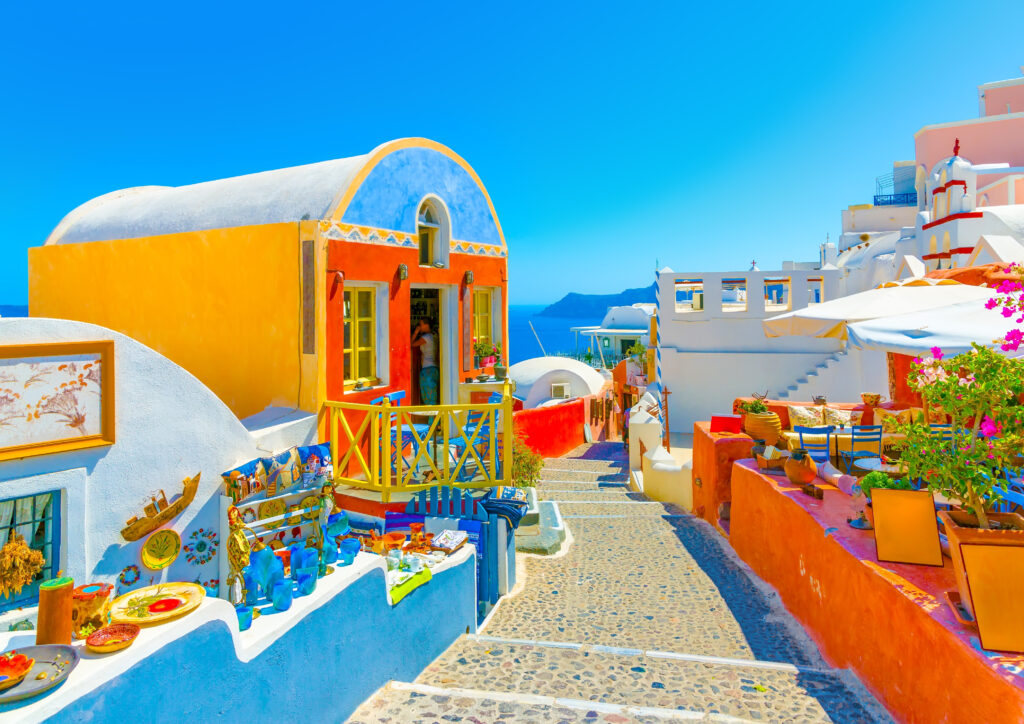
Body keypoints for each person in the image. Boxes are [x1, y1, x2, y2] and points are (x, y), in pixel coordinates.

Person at [412, 318, 439, 405]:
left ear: (426, 325)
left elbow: (411, 344)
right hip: (435, 368)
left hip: (427, 368)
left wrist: (415, 333)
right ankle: (434, 413)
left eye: (421, 324)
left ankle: (431, 414)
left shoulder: (425, 338)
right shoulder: (434, 336)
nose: (419, 326)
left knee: (427, 395)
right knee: (433, 394)